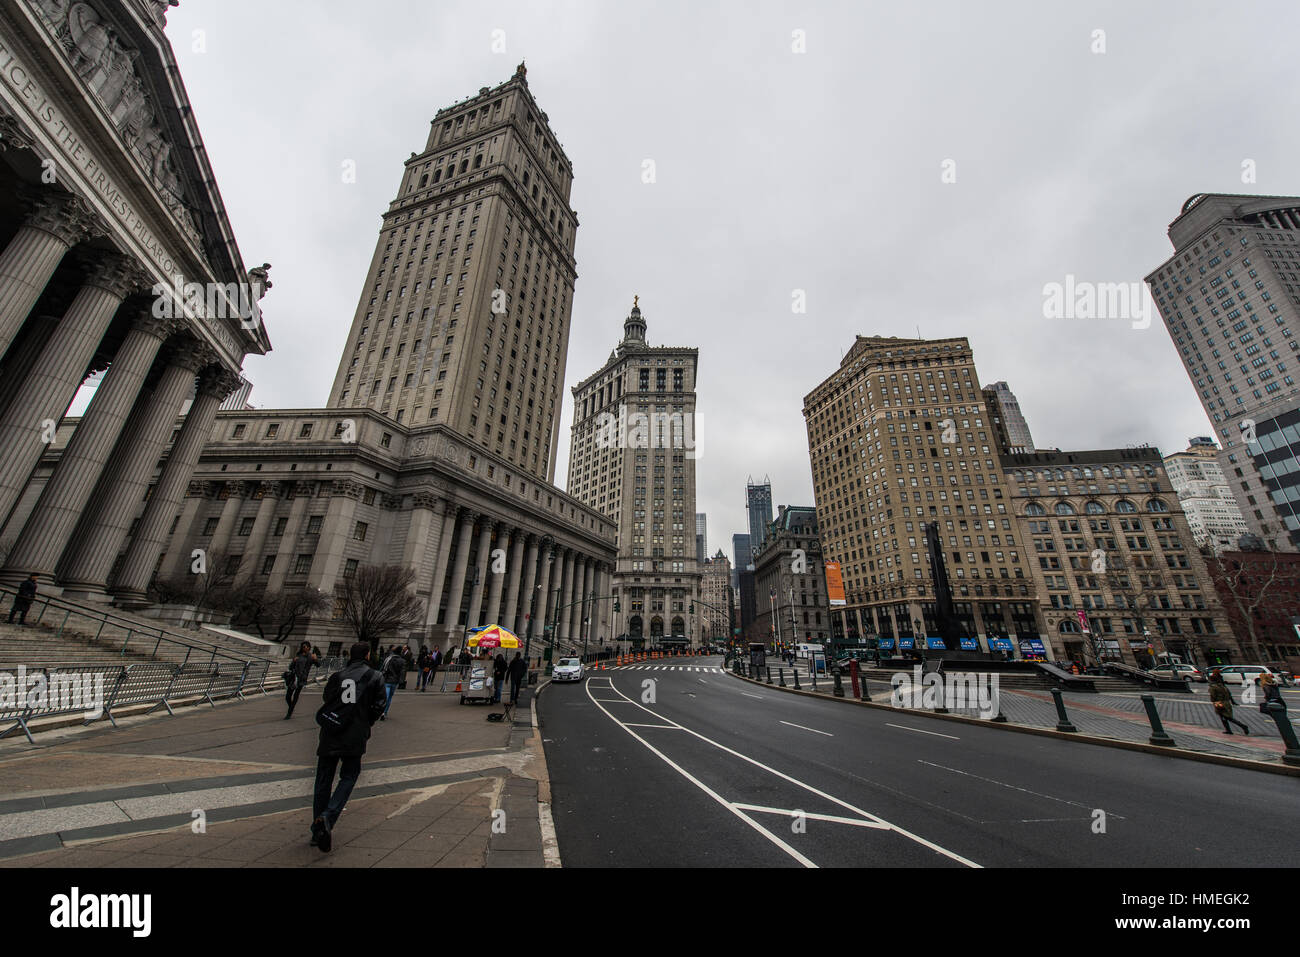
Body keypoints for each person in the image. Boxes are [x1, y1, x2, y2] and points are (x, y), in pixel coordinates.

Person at [311, 642, 386, 853]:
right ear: (368, 655)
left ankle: (317, 830)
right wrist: (365, 723)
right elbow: (379, 706)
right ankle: (328, 816)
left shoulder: (338, 676)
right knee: (350, 776)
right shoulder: (375, 677)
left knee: (323, 780)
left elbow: (327, 699)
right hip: (354, 734)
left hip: (331, 731)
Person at [1208, 670, 1250, 735]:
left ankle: (1242, 726)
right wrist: (1232, 701)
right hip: (1226, 702)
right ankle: (1228, 730)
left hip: (1219, 703)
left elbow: (1213, 697)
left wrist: (1214, 702)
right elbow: (1229, 694)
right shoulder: (1222, 686)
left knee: (1226, 717)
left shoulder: (1213, 688)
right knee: (1224, 717)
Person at [284, 640, 319, 719]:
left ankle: (289, 713)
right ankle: (291, 708)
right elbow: (291, 667)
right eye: (303, 646)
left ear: (309, 648)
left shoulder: (310, 656)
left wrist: (316, 659)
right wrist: (294, 661)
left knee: (296, 695)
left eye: (305, 646)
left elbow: (318, 665)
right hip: (294, 677)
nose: (304, 647)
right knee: (288, 696)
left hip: (302, 678)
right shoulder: (298, 655)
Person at [380, 645, 405, 720]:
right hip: (395, 681)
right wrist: (400, 681)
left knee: (385, 697)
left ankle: (382, 711)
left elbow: (383, 668)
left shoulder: (389, 658)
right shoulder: (402, 661)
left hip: (387, 680)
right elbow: (402, 672)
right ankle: (385, 711)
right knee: (390, 697)